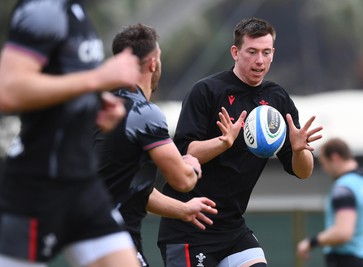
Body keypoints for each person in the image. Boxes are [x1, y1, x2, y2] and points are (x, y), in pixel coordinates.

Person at [157, 17, 323, 267]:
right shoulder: (207, 92)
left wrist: (299, 150)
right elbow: (182, 156)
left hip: (232, 228)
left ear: (273, 53)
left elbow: (303, 172)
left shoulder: (277, 99)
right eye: (252, 52)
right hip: (189, 226)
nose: (260, 60)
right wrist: (223, 143)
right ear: (235, 52)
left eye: (266, 52)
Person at [0, 1, 142, 267]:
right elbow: (9, 90)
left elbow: (65, 84)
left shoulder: (76, 12)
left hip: (82, 184)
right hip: (36, 187)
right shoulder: (41, 9)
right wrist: (98, 79)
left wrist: (94, 105)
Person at [92, 23, 218, 267]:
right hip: (113, 236)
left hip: (90, 234)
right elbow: (182, 181)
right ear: (152, 63)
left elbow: (134, 188)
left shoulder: (103, 109)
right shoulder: (144, 113)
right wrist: (191, 163)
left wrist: (183, 210)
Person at [297, 138, 363, 267]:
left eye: (324, 163)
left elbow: (343, 232)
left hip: (347, 260)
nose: (325, 169)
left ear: (335, 157)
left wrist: (311, 242)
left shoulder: (344, 188)